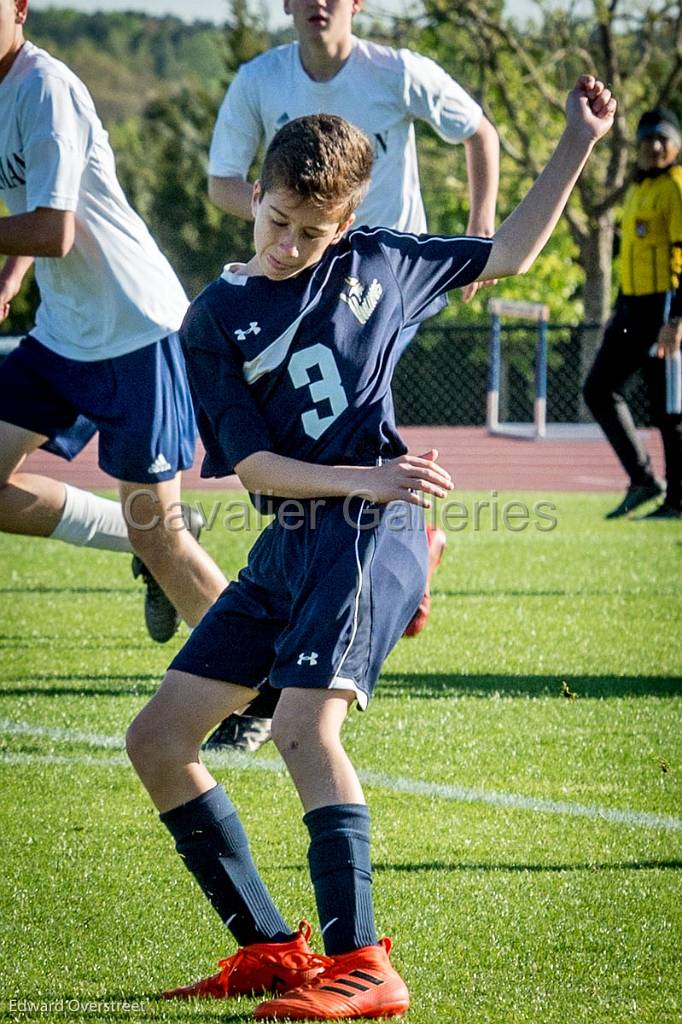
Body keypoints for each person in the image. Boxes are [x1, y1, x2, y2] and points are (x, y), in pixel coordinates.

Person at [126, 76, 616, 1020]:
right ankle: (271, 948)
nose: (287, 246)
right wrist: (365, 477)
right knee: (158, 739)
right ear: (257, 199)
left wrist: (577, 142)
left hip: (372, 533)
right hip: (303, 531)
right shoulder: (214, 318)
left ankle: (363, 963)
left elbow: (510, 251)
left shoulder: (384, 263)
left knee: (308, 728)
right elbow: (260, 469)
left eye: (311, 233)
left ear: (346, 226)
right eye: (275, 222)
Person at [205, 0, 500, 748]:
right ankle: (399, 539)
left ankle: (392, 537)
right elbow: (220, 182)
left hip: (374, 282)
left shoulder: (397, 72)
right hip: (295, 292)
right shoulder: (259, 80)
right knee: (305, 460)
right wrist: (290, 228)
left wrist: (484, 223)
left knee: (349, 455)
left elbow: (478, 133)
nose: (318, 3)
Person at [0, 0, 229, 640]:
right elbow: (40, 200)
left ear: (20, 10)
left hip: (135, 330)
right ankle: (132, 542)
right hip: (65, 334)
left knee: (162, 537)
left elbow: (54, 226)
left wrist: (22, 260)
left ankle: (258, 688)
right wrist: (12, 277)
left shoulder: (44, 87)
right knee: (149, 534)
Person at [583, 106, 682, 520]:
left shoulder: (676, 187)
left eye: (663, 139)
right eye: (647, 140)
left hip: (664, 310)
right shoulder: (638, 188)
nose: (655, 147)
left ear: (676, 145)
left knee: (668, 410)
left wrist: (675, 321)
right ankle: (643, 480)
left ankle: (676, 500)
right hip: (632, 309)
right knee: (598, 389)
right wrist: (619, 308)